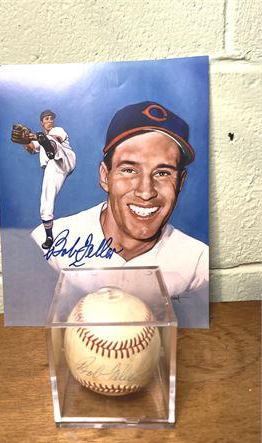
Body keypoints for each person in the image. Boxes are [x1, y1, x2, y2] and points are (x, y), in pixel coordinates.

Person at [31, 101, 208, 314]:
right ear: (105, 176)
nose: (146, 192)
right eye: (129, 170)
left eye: (162, 173)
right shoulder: (50, 241)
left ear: (180, 182)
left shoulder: (198, 262)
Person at [24, 109, 76, 249]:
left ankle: (49, 147)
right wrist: (25, 140)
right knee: (46, 200)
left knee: (51, 142)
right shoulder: (40, 139)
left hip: (65, 158)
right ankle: (49, 236)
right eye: (46, 119)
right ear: (42, 122)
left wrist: (33, 136)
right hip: (53, 167)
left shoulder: (58, 130)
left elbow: (56, 139)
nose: (50, 120)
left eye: (51, 118)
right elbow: (30, 148)